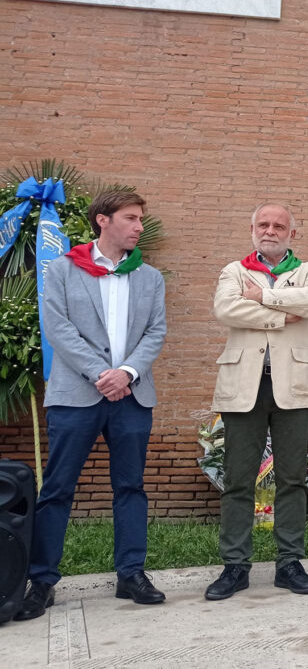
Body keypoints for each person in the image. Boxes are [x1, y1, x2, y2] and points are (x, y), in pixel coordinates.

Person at [17, 190, 167, 620]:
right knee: (58, 489)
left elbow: (155, 332)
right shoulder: (63, 269)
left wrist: (127, 374)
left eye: (141, 219)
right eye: (131, 218)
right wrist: (101, 374)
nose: (139, 226)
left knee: (131, 487)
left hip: (132, 396)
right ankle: (41, 580)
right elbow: (58, 328)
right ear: (103, 220)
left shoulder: (150, 277)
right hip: (76, 395)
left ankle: (131, 574)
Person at [204, 203, 308, 601]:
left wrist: (262, 297)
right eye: (263, 224)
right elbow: (226, 308)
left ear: (293, 233)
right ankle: (235, 566)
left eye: (279, 225)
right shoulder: (233, 270)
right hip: (245, 386)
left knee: (293, 478)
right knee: (238, 479)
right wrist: (280, 312)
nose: (270, 231)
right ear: (251, 228)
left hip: (295, 386)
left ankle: (289, 562)